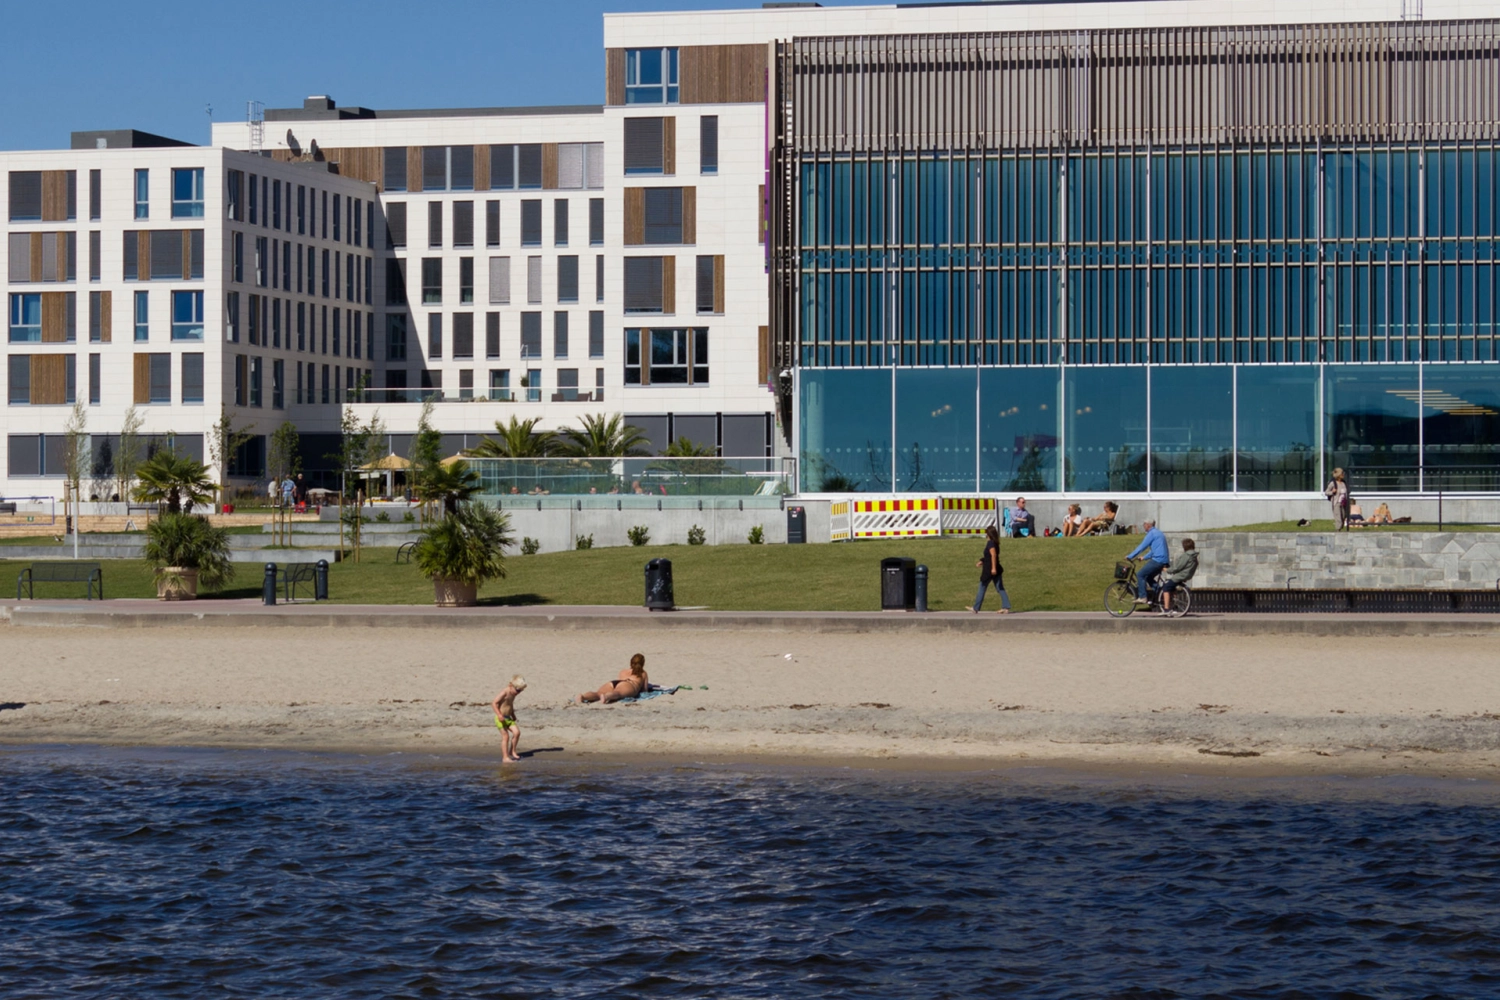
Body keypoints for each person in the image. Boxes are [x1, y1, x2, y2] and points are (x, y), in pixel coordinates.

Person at [1126, 519, 1170, 606]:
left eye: (1144, 524)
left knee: (1140, 575)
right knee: (1148, 577)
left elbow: (1142, 547)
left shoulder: (1151, 534)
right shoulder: (1158, 533)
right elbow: (1155, 550)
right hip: (1163, 560)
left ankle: (1143, 597)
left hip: (1158, 560)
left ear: (1148, 525)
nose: (1143, 526)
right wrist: (1144, 557)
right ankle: (1160, 594)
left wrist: (1130, 556)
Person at [579, 653, 649, 704]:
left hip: (614, 683)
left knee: (598, 693)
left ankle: (583, 697)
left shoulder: (623, 671)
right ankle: (606, 697)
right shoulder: (643, 673)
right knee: (617, 693)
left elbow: (620, 682)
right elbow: (644, 690)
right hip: (629, 684)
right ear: (643, 664)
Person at [971, 525, 1011, 613]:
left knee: (982, 586)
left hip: (989, 570)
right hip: (995, 568)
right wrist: (982, 561)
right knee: (1000, 588)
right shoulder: (995, 543)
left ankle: (976, 608)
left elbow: (993, 555)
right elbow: (988, 556)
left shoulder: (991, 543)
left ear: (988, 534)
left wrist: (993, 568)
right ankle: (1006, 606)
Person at [491, 675, 527, 762]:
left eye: (520, 691)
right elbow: (494, 703)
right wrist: (499, 715)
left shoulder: (513, 693)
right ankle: (505, 757)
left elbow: (509, 705)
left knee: (517, 733)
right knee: (505, 736)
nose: (518, 693)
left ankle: (512, 751)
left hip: (508, 717)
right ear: (511, 686)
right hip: (500, 718)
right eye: (518, 690)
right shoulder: (504, 692)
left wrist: (513, 714)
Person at [1158, 538, 1198, 615]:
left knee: (1166, 588)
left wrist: (1168, 570)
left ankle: (1166, 609)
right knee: (1172, 587)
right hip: (1186, 575)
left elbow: (1178, 567)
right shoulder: (1194, 556)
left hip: (1180, 576)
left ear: (1185, 547)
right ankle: (1173, 606)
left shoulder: (1187, 555)